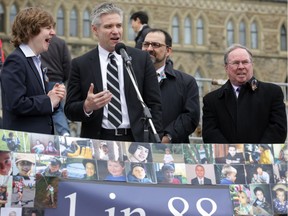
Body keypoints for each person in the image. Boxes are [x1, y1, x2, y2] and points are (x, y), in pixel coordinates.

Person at [64, 2, 162, 142]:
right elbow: (69, 110)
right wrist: (87, 106)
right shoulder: (81, 64)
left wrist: (153, 139)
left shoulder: (141, 59)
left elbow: (155, 104)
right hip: (99, 140)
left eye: (119, 25)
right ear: (95, 30)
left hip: (135, 140)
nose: (115, 31)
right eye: (108, 26)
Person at [202, 44, 287, 143]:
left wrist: (258, 153)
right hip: (228, 157)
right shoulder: (211, 100)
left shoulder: (272, 93)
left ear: (252, 65)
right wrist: (231, 153)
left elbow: (278, 129)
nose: (241, 67)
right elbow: (210, 133)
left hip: (262, 156)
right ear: (226, 67)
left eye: (245, 62)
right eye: (235, 63)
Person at [0, 7, 66, 135]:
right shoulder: (16, 60)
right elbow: (16, 103)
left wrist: (54, 97)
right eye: (48, 27)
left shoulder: (35, 61)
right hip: (23, 145)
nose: (53, 32)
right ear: (31, 30)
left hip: (38, 143)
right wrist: (48, 101)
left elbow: (36, 100)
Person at [142, 29, 200, 143]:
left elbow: (191, 116)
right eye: (146, 44)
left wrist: (168, 137)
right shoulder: (130, 78)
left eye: (155, 45)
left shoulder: (186, 82)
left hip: (171, 150)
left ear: (168, 51)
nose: (149, 49)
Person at [41, 35, 71, 137]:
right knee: (57, 110)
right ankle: (64, 133)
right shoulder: (60, 42)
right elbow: (67, 64)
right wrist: (63, 80)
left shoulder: (39, 40)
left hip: (42, 79)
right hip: (57, 81)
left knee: (44, 107)